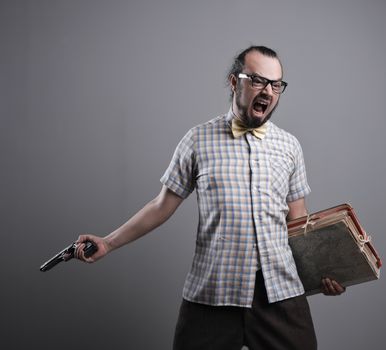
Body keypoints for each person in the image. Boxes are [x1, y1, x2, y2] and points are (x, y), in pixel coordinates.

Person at [74, 45, 346, 350]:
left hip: (279, 294)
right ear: (234, 82)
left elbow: (297, 221)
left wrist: (320, 274)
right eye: (257, 81)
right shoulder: (197, 140)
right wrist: (108, 243)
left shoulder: (290, 146)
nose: (268, 91)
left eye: (276, 84)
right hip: (213, 295)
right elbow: (161, 205)